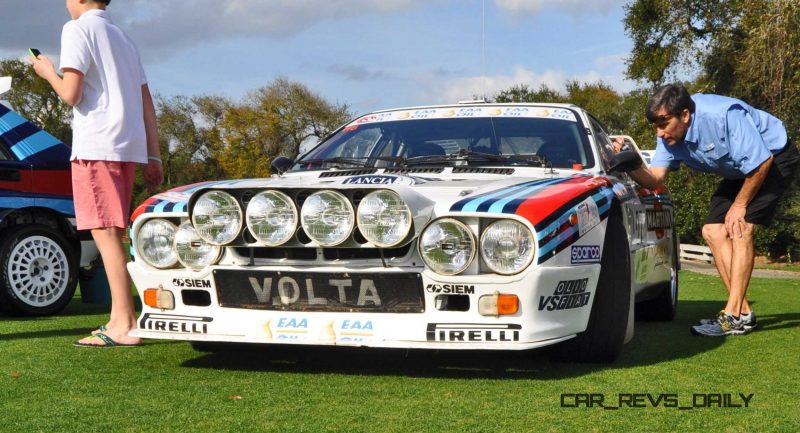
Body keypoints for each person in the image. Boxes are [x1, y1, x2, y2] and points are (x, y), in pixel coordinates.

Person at [616, 83, 799, 336]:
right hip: (741, 169)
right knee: (713, 230)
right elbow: (655, 179)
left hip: (773, 160)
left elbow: (761, 162)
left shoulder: (723, 115)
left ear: (685, 115)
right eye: (655, 126)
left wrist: (740, 205)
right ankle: (742, 314)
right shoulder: (670, 137)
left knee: (740, 227)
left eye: (663, 123)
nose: (659, 133)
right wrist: (630, 162)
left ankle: (733, 315)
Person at [32, 0, 163, 347]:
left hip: (97, 146)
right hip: (128, 147)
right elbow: (146, 102)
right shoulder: (123, 37)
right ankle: (122, 319)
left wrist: (47, 71)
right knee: (114, 233)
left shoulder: (76, 29)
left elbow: (70, 94)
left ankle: (123, 323)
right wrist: (155, 155)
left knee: (106, 234)